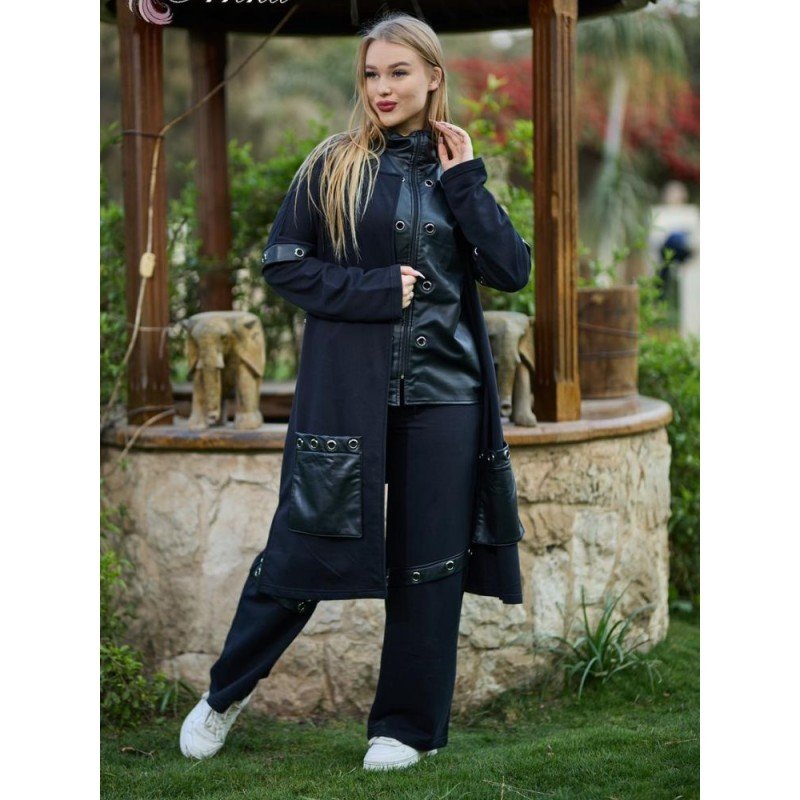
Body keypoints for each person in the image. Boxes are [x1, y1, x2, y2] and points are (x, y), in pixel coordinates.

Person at [180, 10, 531, 771]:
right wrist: (373, 289)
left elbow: (511, 269)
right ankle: (224, 694)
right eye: (372, 73)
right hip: (350, 394)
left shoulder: (457, 169)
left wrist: (465, 181)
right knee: (302, 545)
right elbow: (283, 264)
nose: (382, 87)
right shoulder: (332, 164)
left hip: (445, 396)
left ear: (433, 77)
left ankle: (404, 728)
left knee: (429, 566)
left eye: (398, 72)